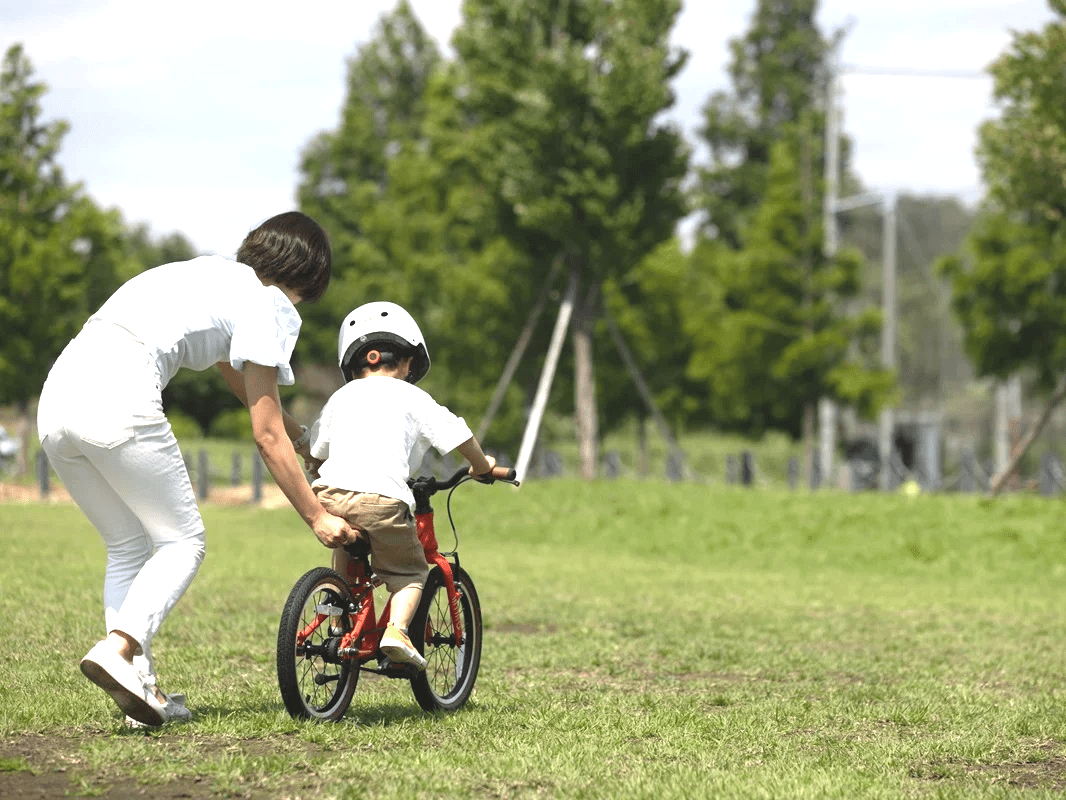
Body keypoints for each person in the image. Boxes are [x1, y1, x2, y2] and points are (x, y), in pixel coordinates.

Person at [37, 211, 357, 727]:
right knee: (183, 541)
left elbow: (233, 371)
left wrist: (298, 434)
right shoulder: (265, 302)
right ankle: (118, 647)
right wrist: (317, 516)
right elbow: (264, 434)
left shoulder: (207, 274)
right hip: (119, 392)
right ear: (303, 282)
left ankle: (139, 692)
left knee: (129, 546)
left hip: (57, 398)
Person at [305, 301, 495, 669]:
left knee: (349, 544)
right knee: (409, 573)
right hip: (383, 498)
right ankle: (397, 631)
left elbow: (317, 449)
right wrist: (481, 464)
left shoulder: (340, 396)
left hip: (329, 496)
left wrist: (317, 466)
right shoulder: (414, 396)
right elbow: (457, 432)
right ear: (408, 363)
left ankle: (340, 611)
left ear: (355, 362)